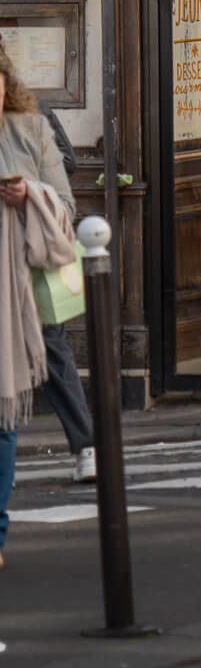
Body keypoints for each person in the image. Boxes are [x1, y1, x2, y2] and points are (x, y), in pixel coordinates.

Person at [0, 48, 78, 565]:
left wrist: (30, 195)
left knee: (1, 417)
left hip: (15, 295)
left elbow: (66, 209)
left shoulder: (30, 131)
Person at [37, 105, 94, 482]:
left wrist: (29, 185)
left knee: (52, 347)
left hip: (33, 250)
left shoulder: (33, 113)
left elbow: (67, 163)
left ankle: (86, 447)